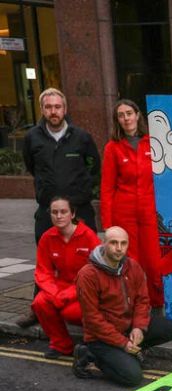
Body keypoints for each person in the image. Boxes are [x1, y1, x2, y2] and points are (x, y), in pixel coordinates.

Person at [18, 88, 100, 328]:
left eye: (57, 107)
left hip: (79, 209)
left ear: (65, 109)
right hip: (48, 210)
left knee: (90, 259)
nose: (53, 111)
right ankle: (38, 308)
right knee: (44, 260)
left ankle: (94, 306)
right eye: (48, 107)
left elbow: (94, 166)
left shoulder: (81, 137)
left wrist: (81, 191)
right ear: (42, 109)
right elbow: (31, 166)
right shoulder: (32, 138)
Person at [73, 226, 172, 386]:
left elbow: (142, 300)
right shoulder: (88, 275)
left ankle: (130, 352)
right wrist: (123, 343)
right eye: (113, 243)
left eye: (123, 243)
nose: (119, 248)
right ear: (103, 243)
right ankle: (90, 355)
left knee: (171, 328)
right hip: (100, 337)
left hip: (127, 327)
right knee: (132, 377)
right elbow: (92, 319)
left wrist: (138, 327)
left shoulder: (133, 266)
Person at [101, 99, 164, 308]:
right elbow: (107, 188)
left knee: (154, 262)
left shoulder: (152, 143)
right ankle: (134, 306)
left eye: (129, 113)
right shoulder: (113, 148)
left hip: (149, 212)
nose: (126, 118)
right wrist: (107, 224)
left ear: (137, 115)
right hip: (124, 213)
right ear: (117, 120)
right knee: (130, 262)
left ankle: (157, 305)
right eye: (121, 115)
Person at [31, 196, 101, 359]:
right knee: (40, 302)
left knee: (71, 313)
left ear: (72, 213)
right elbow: (43, 272)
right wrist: (54, 293)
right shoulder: (47, 238)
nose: (59, 216)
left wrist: (68, 294)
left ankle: (93, 343)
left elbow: (97, 272)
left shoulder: (88, 236)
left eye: (63, 212)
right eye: (54, 212)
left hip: (86, 289)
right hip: (60, 287)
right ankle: (61, 344)